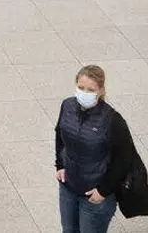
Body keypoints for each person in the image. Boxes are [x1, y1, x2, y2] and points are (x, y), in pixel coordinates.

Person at [55, 65, 138, 233]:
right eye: (81, 87)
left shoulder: (113, 120)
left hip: (95, 195)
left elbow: (124, 158)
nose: (84, 93)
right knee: (69, 230)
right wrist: (60, 165)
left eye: (90, 89)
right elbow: (60, 134)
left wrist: (103, 191)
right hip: (68, 187)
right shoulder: (67, 106)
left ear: (100, 91)